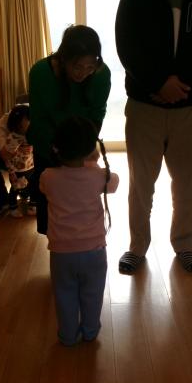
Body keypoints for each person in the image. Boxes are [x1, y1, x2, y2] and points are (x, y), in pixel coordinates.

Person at [115, 0, 192, 273]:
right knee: (141, 182)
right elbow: (126, 46)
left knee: (188, 180)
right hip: (144, 104)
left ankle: (184, 244)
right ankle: (137, 246)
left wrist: (184, 85)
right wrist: (157, 83)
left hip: (190, 105)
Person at [39, 117, 119, 346]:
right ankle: (90, 331)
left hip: (61, 253)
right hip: (94, 251)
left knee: (64, 294)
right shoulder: (98, 176)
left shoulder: (48, 177)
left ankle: (67, 335)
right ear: (90, 149)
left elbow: (44, 188)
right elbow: (114, 182)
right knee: (93, 293)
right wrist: (93, 164)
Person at [27, 25, 111, 235]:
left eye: (90, 66)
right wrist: (60, 154)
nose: (84, 73)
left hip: (82, 148)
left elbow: (97, 114)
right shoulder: (40, 73)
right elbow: (39, 121)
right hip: (49, 147)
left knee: (81, 206)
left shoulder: (101, 74)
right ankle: (57, 248)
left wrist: (85, 149)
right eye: (77, 66)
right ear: (63, 58)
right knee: (51, 211)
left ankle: (82, 242)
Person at [0, 104, 35, 218]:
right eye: (21, 126)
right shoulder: (9, 123)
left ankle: (33, 197)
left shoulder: (37, 118)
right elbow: (5, 153)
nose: (24, 129)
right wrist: (12, 170)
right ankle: (2, 200)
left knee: (33, 181)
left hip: (32, 164)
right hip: (15, 162)